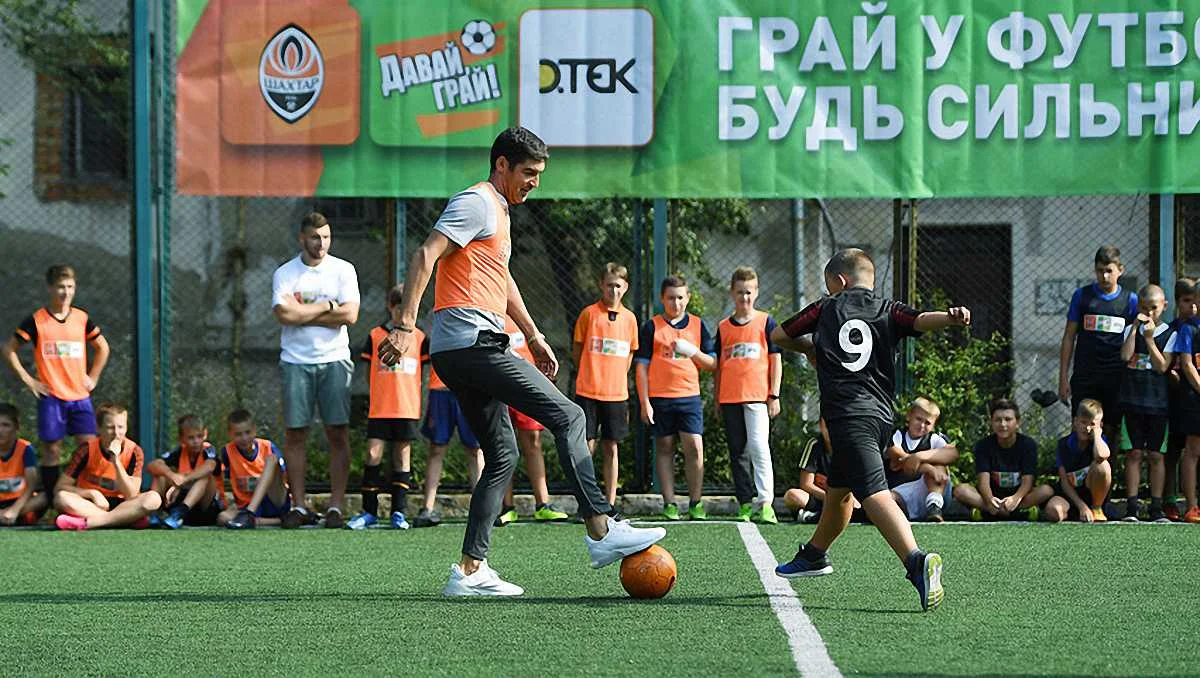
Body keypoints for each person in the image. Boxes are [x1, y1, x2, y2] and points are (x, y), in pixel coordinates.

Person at [379, 126, 665, 596]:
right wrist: (406, 326)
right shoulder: (476, 202)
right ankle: (601, 527)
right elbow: (425, 254)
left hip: (465, 349)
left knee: (503, 454)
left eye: (539, 174)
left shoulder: (500, 211)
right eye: (528, 172)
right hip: (472, 345)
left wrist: (533, 334)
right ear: (501, 165)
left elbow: (502, 278)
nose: (535, 182)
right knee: (570, 416)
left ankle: (470, 570)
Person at [771, 248, 968, 612]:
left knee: (873, 491)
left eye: (830, 285)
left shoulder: (825, 308)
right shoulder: (887, 308)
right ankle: (814, 554)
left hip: (848, 415)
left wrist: (811, 349)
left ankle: (916, 562)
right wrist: (950, 317)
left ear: (840, 280)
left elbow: (779, 334)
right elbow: (921, 320)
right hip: (880, 416)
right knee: (840, 492)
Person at [271, 211, 360, 529]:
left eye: (326, 237)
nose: (320, 243)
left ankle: (335, 507)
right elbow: (284, 316)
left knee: (337, 432)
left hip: (335, 360)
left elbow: (350, 315)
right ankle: (299, 505)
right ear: (302, 238)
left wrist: (302, 311)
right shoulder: (285, 273)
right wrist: (327, 307)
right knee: (296, 434)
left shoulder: (343, 270)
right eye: (314, 237)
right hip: (295, 362)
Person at [1, 264, 110, 502]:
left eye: (70, 287)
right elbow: (8, 349)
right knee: (52, 450)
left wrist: (93, 376)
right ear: (50, 288)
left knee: (88, 448)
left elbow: (102, 347)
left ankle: (86, 500)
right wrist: (29, 380)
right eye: (61, 287)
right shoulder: (37, 320)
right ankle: (53, 502)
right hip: (51, 397)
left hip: (80, 397)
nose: (66, 292)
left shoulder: (82, 318)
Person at [635, 275, 717, 521]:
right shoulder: (651, 327)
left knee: (695, 447)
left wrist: (692, 351)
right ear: (662, 299)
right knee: (664, 447)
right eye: (671, 298)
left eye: (680, 297)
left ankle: (696, 503)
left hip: (689, 396)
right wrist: (645, 402)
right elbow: (641, 367)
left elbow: (712, 364)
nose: (676, 303)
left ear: (688, 298)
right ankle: (669, 503)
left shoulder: (698, 325)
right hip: (660, 397)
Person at [348, 284, 425, 531]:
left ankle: (398, 513)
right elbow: (368, 372)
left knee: (402, 457)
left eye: (408, 308)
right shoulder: (375, 335)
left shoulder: (419, 337)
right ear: (391, 308)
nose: (402, 314)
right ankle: (369, 511)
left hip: (407, 408)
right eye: (399, 308)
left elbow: (423, 372)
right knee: (373, 455)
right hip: (380, 408)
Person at [714, 266, 782, 523]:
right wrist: (717, 398)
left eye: (749, 292)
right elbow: (719, 366)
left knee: (759, 447)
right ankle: (744, 502)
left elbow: (776, 360)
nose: (745, 297)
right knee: (738, 453)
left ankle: (765, 503)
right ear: (732, 293)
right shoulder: (723, 327)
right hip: (730, 397)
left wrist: (774, 395)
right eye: (740, 292)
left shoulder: (766, 322)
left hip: (757, 397)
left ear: (757, 292)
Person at [572, 262, 639, 507]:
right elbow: (577, 350)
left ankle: (609, 503)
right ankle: (587, 501)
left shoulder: (630, 319)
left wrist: (616, 377)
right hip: (588, 391)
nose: (614, 291)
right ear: (601, 285)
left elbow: (629, 354)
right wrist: (590, 373)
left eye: (618, 286)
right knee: (586, 446)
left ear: (626, 287)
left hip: (616, 395)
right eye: (610, 285)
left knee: (611, 447)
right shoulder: (589, 314)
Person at [1058, 245, 1138, 442]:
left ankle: (1108, 463)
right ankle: (1079, 463)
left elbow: (1136, 339)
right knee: (1081, 428)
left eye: (1109, 270)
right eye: (1100, 271)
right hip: (1085, 374)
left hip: (1116, 375)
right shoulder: (1082, 296)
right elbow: (1069, 336)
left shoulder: (1130, 300)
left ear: (1120, 270)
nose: (1104, 276)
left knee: (1111, 429)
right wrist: (1063, 377)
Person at [496, 316, 569, 525]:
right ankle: (507, 507)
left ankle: (542, 504)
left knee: (533, 443)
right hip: (497, 387)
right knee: (503, 445)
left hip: (525, 387)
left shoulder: (522, 319)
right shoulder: (490, 318)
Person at [1117, 284, 1178, 522]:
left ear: (1164, 306)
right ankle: (1132, 507)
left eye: (1153, 308)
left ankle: (1156, 506)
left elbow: (1162, 366)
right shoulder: (1129, 329)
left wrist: (1150, 340)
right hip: (1131, 402)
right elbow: (1125, 356)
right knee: (1133, 453)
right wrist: (1135, 329)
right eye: (1144, 308)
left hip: (1158, 405)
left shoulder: (1169, 333)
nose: (1149, 313)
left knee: (1156, 455)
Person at [53, 403, 161, 530]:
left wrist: (116, 461)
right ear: (99, 428)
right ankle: (125, 520)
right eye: (110, 427)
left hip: (124, 505)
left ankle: (88, 523)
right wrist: (91, 493)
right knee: (61, 498)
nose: (116, 433)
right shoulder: (86, 450)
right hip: (92, 505)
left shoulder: (134, 451)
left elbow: (131, 495)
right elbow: (60, 487)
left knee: (154, 499)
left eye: (121, 427)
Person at [952, 398, 1053, 521]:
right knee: (960, 490)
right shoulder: (983, 446)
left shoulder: (1028, 445)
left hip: (1019, 498)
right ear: (991, 422)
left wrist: (1015, 499)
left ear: (1017, 422)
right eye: (998, 420)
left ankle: (988, 513)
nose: (1003, 424)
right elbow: (983, 480)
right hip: (992, 497)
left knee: (1046, 491)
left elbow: (1028, 480)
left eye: (1008, 419)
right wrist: (989, 499)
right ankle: (1013, 513)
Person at [415, 365, 484, 528]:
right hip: (440, 388)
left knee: (475, 449)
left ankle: (483, 509)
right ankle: (427, 508)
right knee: (436, 448)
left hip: (470, 387)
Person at [883, 397, 958, 524]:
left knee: (939, 466)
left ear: (933, 425)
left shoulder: (935, 438)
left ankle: (934, 506)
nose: (922, 425)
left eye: (927, 423)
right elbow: (899, 458)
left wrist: (919, 457)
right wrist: (926, 467)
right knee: (885, 501)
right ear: (909, 416)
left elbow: (952, 453)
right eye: (918, 419)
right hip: (900, 492)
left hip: (931, 491)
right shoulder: (896, 435)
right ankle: (901, 514)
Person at [146, 414, 222, 529]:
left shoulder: (209, 450)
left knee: (205, 477)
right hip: (181, 501)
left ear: (205, 434)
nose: (196, 441)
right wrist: (172, 476)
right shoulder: (179, 452)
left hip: (205, 509)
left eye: (199, 436)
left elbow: (210, 466)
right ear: (181, 439)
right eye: (191, 438)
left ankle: (179, 513)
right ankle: (155, 514)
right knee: (160, 475)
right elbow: (152, 465)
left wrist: (184, 479)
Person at [217, 409, 289, 529]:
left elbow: (283, 476)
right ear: (230, 434)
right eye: (238, 434)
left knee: (272, 459)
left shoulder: (268, 446)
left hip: (273, 499)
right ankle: (276, 521)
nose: (244, 438)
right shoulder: (227, 452)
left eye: (247, 432)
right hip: (245, 504)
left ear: (255, 430)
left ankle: (250, 514)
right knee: (223, 518)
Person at [1045, 399, 1113, 523]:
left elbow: (1101, 456)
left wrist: (1097, 435)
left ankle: (1096, 509)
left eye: (1092, 424)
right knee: (1053, 511)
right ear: (1075, 422)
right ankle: (1074, 514)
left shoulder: (1099, 442)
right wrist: (1081, 506)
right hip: (1070, 496)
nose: (1087, 428)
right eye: (1083, 422)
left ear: (1100, 425)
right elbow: (1064, 482)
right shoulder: (1063, 444)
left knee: (1103, 465)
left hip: (1091, 496)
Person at [1164, 277, 1198, 521]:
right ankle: (1173, 501)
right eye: (1187, 301)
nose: (1192, 306)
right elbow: (1179, 365)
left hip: (1190, 397)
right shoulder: (1177, 330)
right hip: (1181, 400)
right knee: (1177, 451)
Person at [0, 403, 47, 525]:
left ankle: (9, 516)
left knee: (45, 497)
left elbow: (31, 485)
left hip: (21, 501)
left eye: (6, 425)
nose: (1, 430)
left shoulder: (25, 448)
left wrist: (14, 510)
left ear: (16, 427)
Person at [1173, 309, 1200, 523]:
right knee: (1193, 450)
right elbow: (1187, 364)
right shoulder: (1188, 329)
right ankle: (1192, 506)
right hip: (1194, 398)